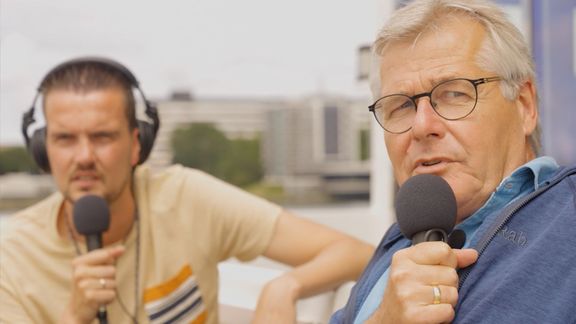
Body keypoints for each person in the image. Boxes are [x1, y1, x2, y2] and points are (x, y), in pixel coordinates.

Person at [0, 57, 374, 324]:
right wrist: (75, 316)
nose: (83, 157)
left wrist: (285, 286)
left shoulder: (186, 197)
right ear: (42, 149)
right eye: (65, 139)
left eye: (102, 137)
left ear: (136, 145)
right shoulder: (11, 257)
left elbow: (356, 253)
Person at [331, 0, 576, 323]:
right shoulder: (395, 244)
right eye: (401, 106)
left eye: (454, 94)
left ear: (524, 105)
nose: (421, 126)